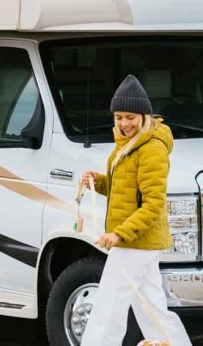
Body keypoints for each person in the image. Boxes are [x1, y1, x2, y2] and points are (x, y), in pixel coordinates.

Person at [79, 75, 191, 346]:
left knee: (108, 306)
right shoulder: (126, 145)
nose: (123, 123)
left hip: (135, 241)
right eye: (118, 117)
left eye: (130, 117)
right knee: (152, 309)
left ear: (143, 116)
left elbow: (153, 204)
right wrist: (100, 182)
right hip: (139, 241)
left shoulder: (151, 149)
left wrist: (118, 234)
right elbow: (127, 191)